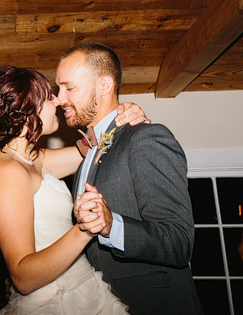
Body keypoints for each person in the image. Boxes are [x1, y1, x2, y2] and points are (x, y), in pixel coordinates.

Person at [0, 65, 146, 314]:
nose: (58, 101)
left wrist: (123, 117)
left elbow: (92, 148)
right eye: (49, 96)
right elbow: (23, 276)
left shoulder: (29, 158)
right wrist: (85, 229)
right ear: (26, 108)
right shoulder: (6, 172)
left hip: (81, 288)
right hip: (56, 302)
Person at [60, 42, 203, 315]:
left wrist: (112, 226)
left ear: (104, 86)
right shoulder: (86, 157)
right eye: (58, 88)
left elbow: (179, 242)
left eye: (69, 87)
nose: (59, 97)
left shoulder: (146, 137)